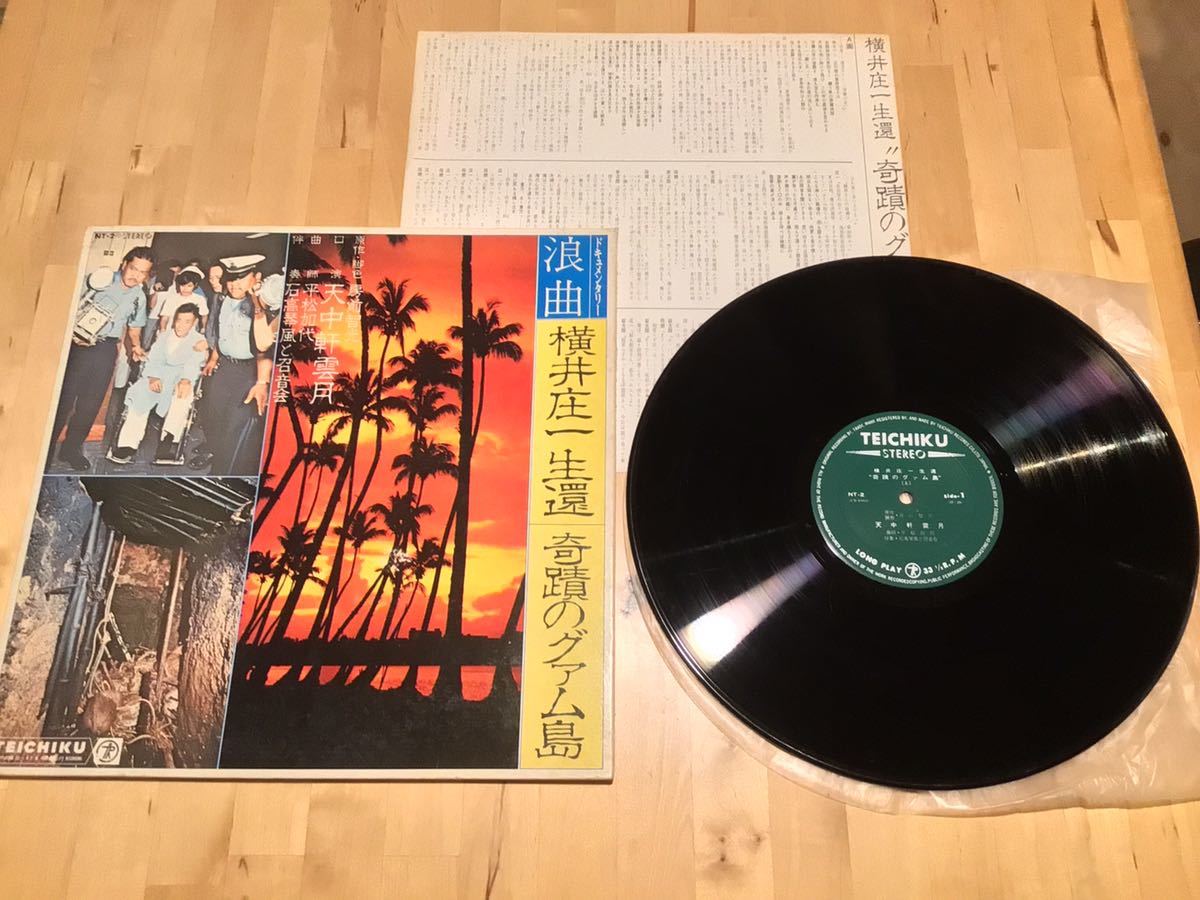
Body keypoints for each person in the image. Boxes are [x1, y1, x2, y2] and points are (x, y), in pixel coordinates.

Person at [49, 246, 152, 471]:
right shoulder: (99, 279)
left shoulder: (139, 297)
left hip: (105, 348)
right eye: (133, 268)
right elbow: (66, 308)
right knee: (62, 401)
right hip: (77, 346)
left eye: (143, 272)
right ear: (124, 264)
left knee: (90, 404)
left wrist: (136, 347)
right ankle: (44, 453)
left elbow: (134, 327)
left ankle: (71, 449)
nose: (136, 276)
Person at [189, 254, 278, 475]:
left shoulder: (264, 304)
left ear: (257, 277)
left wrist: (262, 382)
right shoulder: (222, 300)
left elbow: (265, 348)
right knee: (214, 416)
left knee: (234, 426)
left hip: (249, 372)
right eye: (231, 278)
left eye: (241, 278)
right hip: (225, 367)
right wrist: (213, 359)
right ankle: (214, 452)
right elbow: (222, 334)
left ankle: (221, 471)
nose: (234, 284)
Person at [107, 303, 208, 465]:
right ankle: (128, 444)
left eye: (187, 321)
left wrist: (186, 379)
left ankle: (168, 443)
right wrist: (153, 377)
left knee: (182, 397)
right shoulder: (165, 336)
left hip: (181, 378)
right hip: (159, 376)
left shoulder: (198, 341)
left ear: (194, 322)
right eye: (179, 320)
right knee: (140, 394)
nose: (181, 325)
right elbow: (154, 359)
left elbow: (194, 363)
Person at [154, 266, 210, 333]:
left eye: (189, 286)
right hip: (171, 332)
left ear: (195, 285)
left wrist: (203, 328)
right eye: (182, 285)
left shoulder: (199, 299)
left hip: (190, 333)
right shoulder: (171, 299)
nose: (185, 289)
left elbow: (204, 315)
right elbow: (165, 317)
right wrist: (163, 329)